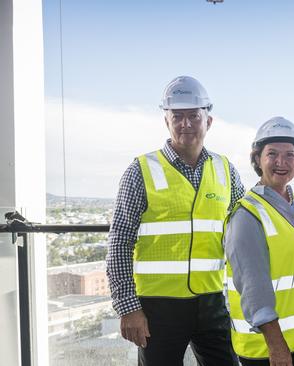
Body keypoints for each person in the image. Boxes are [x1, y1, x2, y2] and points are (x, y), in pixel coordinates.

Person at [106, 75, 243, 365]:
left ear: (209, 121)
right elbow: (119, 241)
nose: (186, 124)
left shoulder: (225, 170)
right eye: (177, 116)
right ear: (166, 121)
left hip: (211, 301)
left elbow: (243, 229)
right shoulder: (140, 170)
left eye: (193, 115)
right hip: (158, 308)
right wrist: (127, 307)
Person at [224, 117, 294, 366]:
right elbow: (253, 288)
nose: (281, 162)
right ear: (258, 160)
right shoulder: (247, 214)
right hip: (266, 346)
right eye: (272, 154)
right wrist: (276, 345)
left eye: (289, 155)